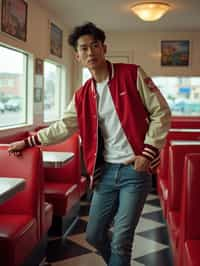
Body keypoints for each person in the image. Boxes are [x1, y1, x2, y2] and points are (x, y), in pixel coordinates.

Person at [8, 22, 171, 266]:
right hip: (104, 173)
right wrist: (27, 142)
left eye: (95, 46)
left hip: (134, 170)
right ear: (77, 56)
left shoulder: (132, 74)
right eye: (84, 48)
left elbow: (162, 113)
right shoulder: (82, 95)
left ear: (104, 48)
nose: (90, 52)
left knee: (121, 240)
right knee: (94, 235)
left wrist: (146, 155)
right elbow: (63, 127)